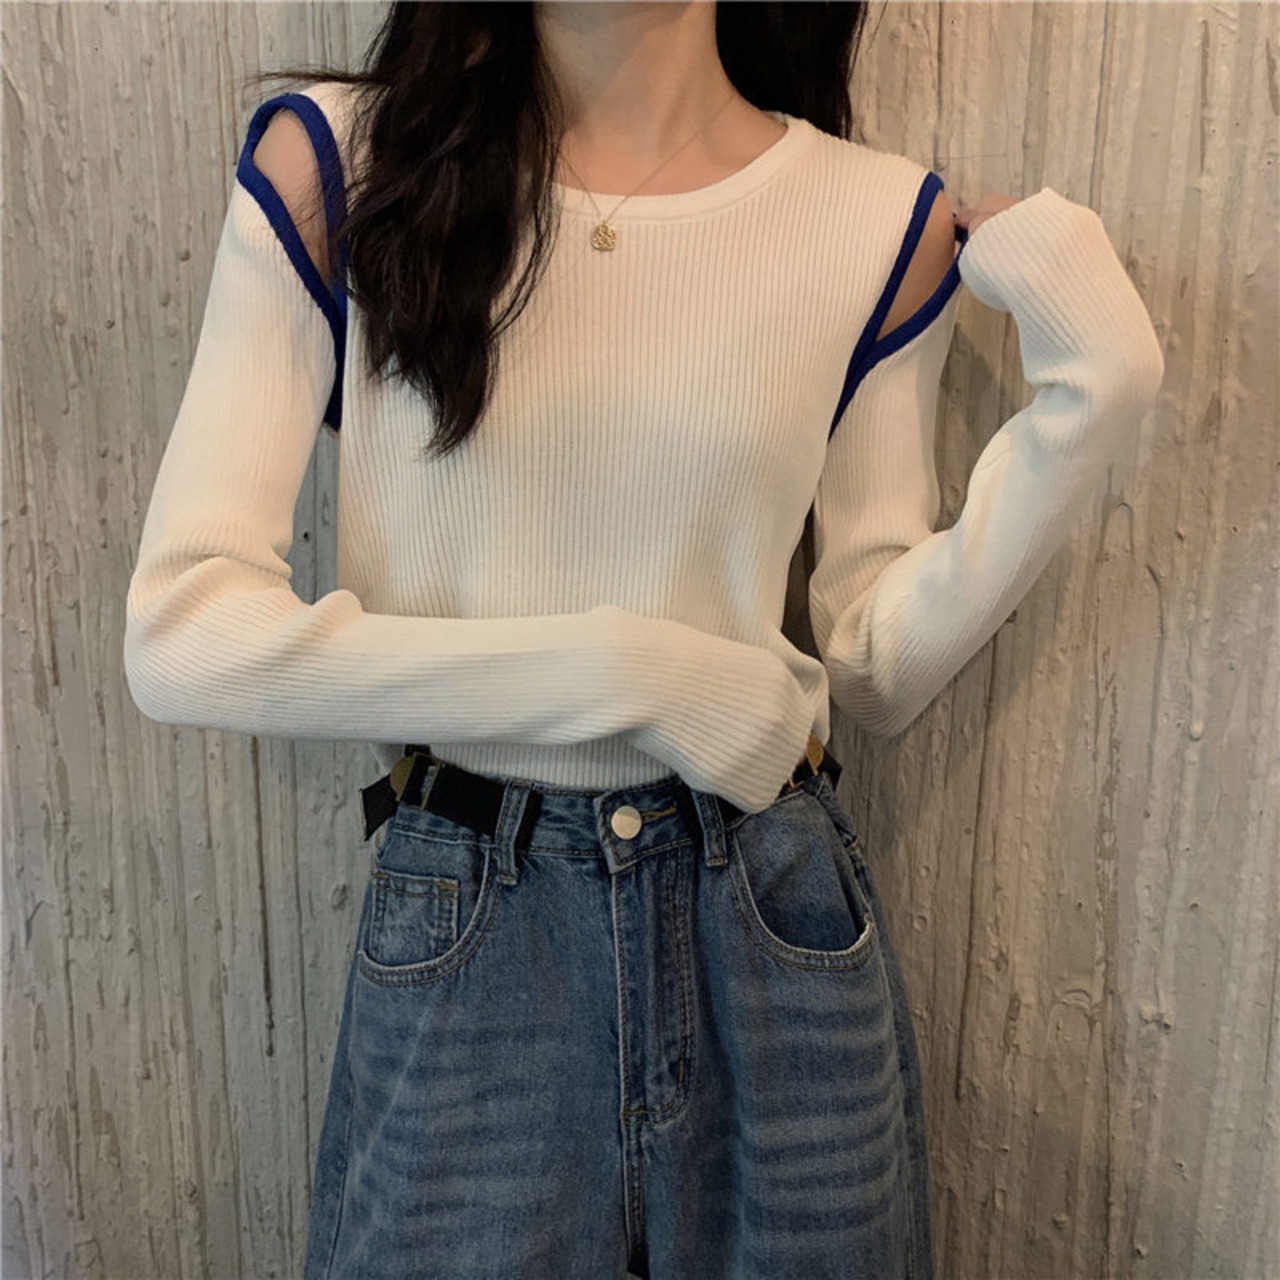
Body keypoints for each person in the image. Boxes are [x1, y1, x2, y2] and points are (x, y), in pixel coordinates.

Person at [123, 3, 1163, 1277]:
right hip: (474, 921)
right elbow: (184, 628)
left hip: (769, 916)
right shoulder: (344, 167)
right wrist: (629, 673)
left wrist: (1093, 392)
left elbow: (873, 663)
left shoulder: (874, 219)